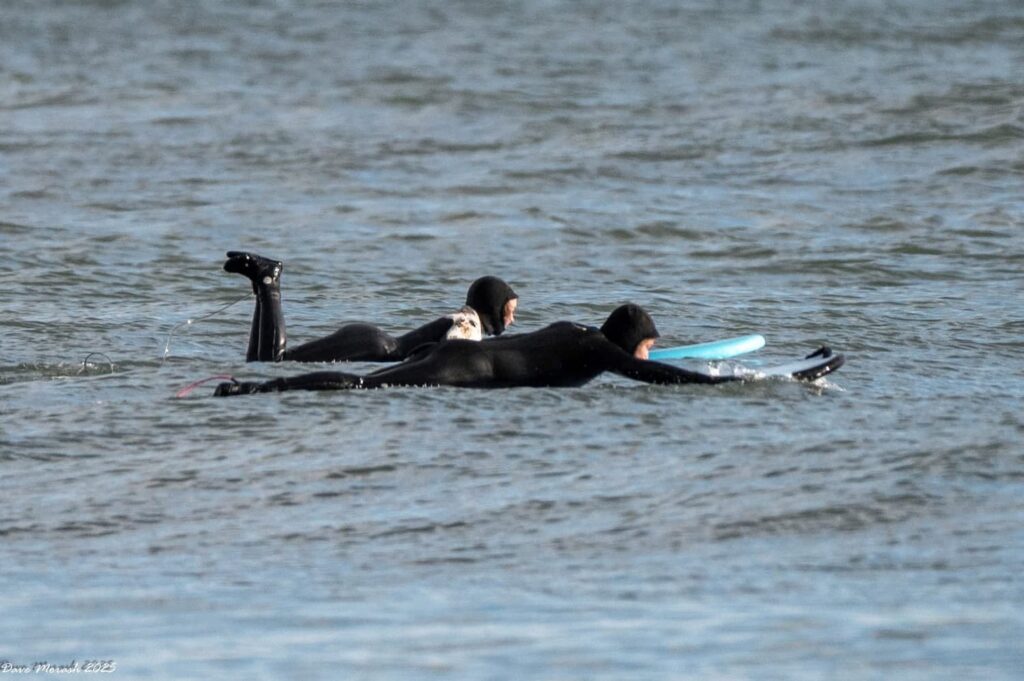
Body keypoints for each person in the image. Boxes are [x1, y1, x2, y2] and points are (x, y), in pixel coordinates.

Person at [213, 304, 843, 396]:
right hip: (462, 372)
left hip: (458, 357)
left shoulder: (574, 331)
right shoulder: (601, 353)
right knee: (363, 391)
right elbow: (665, 382)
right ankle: (249, 391)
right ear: (631, 344)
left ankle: (255, 389)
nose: (647, 357)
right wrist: (754, 383)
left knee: (367, 386)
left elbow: (652, 366)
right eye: (646, 347)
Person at [222, 251, 519, 362]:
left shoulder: (462, 318)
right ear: (493, 304)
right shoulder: (468, 327)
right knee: (278, 361)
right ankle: (269, 283)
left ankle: (263, 284)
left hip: (370, 341)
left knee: (263, 365)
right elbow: (447, 358)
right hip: (373, 348)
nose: (513, 319)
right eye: (510, 309)